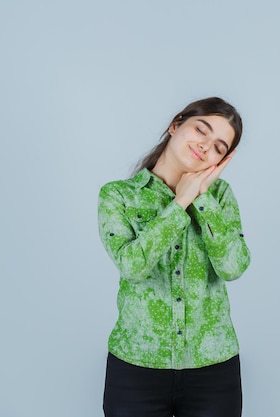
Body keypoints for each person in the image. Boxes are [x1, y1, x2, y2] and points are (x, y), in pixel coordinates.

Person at [97, 97, 250, 417]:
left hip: (213, 369)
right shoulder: (118, 195)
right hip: (136, 368)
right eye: (201, 130)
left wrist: (202, 198)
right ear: (176, 124)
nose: (206, 146)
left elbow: (233, 267)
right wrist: (179, 204)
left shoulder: (221, 197)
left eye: (219, 147)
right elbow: (133, 266)